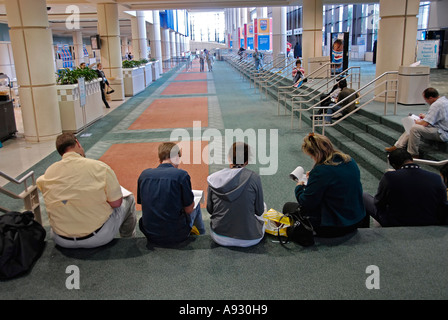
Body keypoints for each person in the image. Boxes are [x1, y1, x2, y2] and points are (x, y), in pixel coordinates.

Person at [36, 133, 137, 249]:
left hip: (60, 239)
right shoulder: (100, 168)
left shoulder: (48, 173)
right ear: (77, 143)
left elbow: (41, 183)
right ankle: (129, 240)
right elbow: (116, 203)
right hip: (97, 237)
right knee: (129, 199)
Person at [286, 133, 368, 237]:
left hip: (336, 226)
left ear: (316, 154)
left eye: (311, 156)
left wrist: (299, 187)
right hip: (356, 220)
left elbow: (306, 202)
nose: (312, 159)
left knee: (288, 207)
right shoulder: (350, 161)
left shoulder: (321, 171)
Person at [137, 142, 206, 245]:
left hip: (150, 234)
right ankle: (203, 237)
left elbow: (144, 203)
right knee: (196, 206)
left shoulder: (144, 175)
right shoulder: (181, 175)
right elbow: (189, 209)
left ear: (160, 159)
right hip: (176, 235)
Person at [363, 148, 447, 227]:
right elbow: (443, 204)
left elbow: (379, 202)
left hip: (396, 222)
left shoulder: (390, 177)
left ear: (394, 165)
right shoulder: (435, 177)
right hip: (429, 221)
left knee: (363, 196)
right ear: (411, 159)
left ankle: (362, 234)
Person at [206, 142, 266, 247]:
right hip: (250, 239)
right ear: (246, 161)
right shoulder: (254, 178)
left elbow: (210, 210)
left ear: (229, 158)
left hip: (218, 236)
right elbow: (259, 210)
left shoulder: (213, 179)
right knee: (264, 206)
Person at [385, 88, 448, 158]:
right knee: (413, 125)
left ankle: (413, 154)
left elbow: (425, 124)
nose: (426, 102)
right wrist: (425, 117)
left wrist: (417, 121)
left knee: (414, 128)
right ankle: (398, 146)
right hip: (439, 128)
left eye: (426, 100)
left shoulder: (436, 105)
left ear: (431, 98)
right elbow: (438, 117)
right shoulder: (444, 100)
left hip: (442, 132)